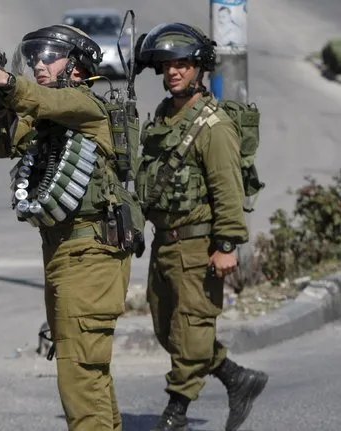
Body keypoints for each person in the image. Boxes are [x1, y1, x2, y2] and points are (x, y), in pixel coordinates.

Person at [0, 24, 144, 431]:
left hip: (92, 252)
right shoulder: (46, 118)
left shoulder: (85, 107)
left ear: (77, 68)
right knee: (88, 370)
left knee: (78, 374)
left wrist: (7, 82)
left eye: (49, 57)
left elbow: (43, 99)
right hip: (65, 252)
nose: (38, 65)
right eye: (34, 58)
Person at [134, 23, 268, 431]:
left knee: (191, 334)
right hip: (165, 243)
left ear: (199, 69)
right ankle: (235, 377)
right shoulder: (163, 117)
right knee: (167, 329)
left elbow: (227, 190)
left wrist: (226, 244)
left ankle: (175, 413)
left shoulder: (213, 126)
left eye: (182, 65)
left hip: (198, 245)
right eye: (167, 65)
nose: (173, 72)